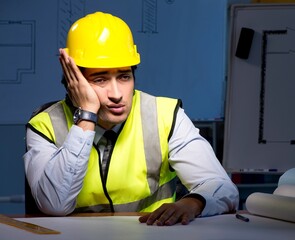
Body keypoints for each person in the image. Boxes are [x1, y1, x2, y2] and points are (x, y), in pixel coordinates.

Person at [23, 11, 239, 226]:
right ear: (73, 81)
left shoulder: (164, 115)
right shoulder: (45, 125)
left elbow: (222, 188)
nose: (116, 93)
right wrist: (86, 115)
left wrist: (193, 203)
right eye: (100, 79)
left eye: (124, 76)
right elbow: (54, 204)